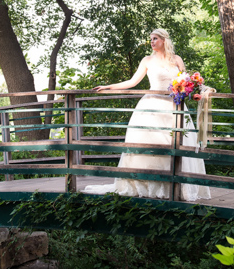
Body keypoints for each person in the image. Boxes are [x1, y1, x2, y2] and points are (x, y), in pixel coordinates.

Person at [84, 29, 211, 201]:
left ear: (164, 40)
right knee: (149, 144)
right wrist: (108, 87)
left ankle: (175, 186)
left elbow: (186, 82)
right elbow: (132, 82)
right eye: (151, 39)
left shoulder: (177, 59)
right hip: (152, 105)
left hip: (175, 105)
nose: (151, 42)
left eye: (155, 38)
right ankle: (146, 185)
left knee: (177, 144)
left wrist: (195, 89)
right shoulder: (147, 60)